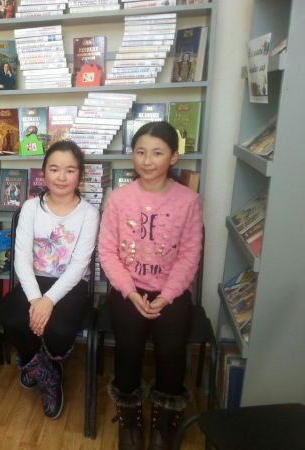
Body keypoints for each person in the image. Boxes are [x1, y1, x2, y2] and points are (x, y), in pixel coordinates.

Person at [98, 121, 203, 450]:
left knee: (171, 351)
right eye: (140, 152)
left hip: (171, 293)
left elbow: (189, 254)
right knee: (127, 349)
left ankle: (164, 420)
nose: (147, 160)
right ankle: (129, 417)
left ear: (173, 157)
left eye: (157, 153)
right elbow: (107, 252)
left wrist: (167, 296)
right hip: (128, 290)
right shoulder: (118, 199)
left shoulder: (188, 200)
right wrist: (130, 292)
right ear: (132, 155)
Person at [0, 140, 99, 419]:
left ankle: (41, 364)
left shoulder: (89, 214)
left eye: (70, 170)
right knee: (12, 320)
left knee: (60, 330)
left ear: (80, 175)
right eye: (54, 169)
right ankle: (46, 371)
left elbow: (79, 266)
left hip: (71, 284)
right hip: (33, 281)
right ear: (44, 172)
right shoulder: (30, 208)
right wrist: (36, 299)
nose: (61, 177)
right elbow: (21, 258)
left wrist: (48, 301)